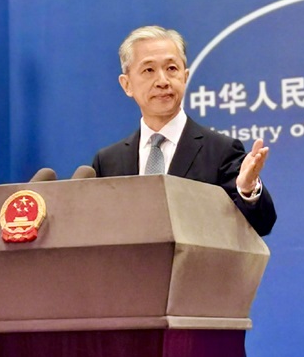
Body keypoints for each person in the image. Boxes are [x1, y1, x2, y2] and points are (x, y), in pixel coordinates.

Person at [91, 25, 276, 236]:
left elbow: (262, 224)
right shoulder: (108, 162)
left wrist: (248, 189)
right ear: (127, 84)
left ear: (185, 77)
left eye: (171, 69)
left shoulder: (220, 151)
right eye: (149, 70)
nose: (162, 81)